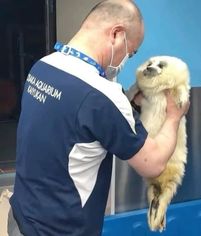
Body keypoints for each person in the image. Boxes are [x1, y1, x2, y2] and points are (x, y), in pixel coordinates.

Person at [8, 0, 190, 235]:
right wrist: (174, 117)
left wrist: (129, 106)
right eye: (131, 52)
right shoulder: (103, 96)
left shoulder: (43, 66)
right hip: (60, 230)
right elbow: (153, 163)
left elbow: (69, 120)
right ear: (116, 35)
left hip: (21, 216)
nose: (126, 60)